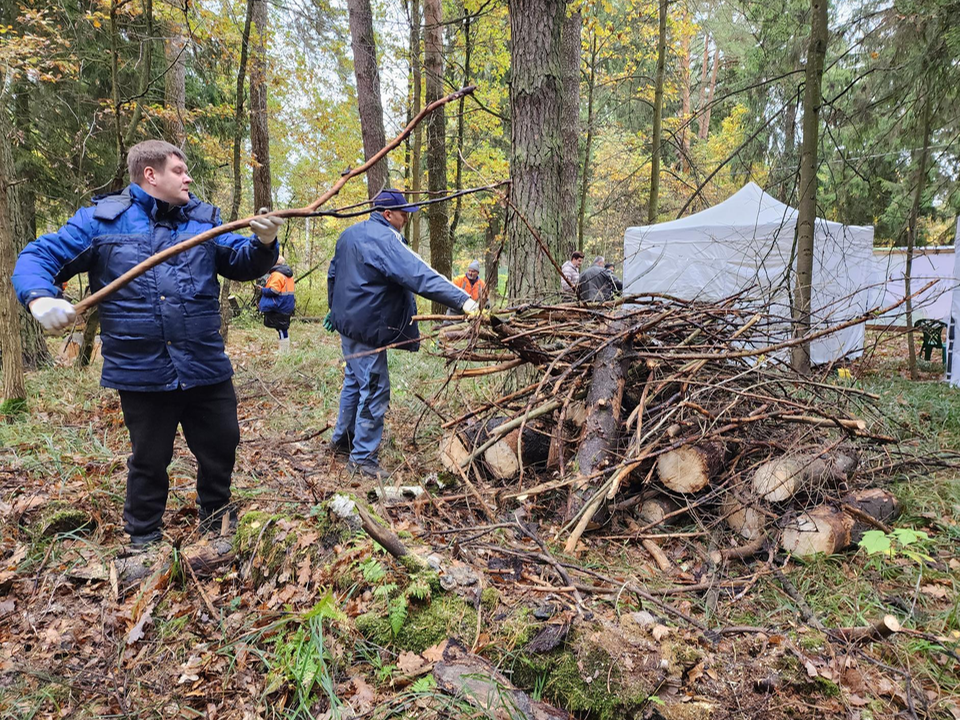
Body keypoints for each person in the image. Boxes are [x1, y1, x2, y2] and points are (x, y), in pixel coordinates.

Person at [12, 140, 284, 546]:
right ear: (150, 175)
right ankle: (143, 540)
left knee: (221, 445)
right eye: (179, 169)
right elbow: (38, 256)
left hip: (205, 365)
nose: (188, 177)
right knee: (150, 460)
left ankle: (216, 525)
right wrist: (39, 296)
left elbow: (242, 262)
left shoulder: (206, 221)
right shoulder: (101, 223)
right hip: (142, 372)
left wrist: (263, 245)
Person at [325, 189, 477, 479]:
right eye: (403, 213)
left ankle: (342, 441)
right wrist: (463, 301)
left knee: (355, 382)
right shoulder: (385, 240)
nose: (406, 218)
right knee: (374, 387)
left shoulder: (349, 234)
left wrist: (334, 309)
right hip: (367, 327)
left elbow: (334, 274)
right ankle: (362, 458)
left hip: (350, 324)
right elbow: (420, 274)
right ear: (387, 214)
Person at [259, 255, 296, 353]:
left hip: (279, 305)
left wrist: (263, 290)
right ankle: (284, 351)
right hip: (286, 305)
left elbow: (274, 291)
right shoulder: (287, 275)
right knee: (282, 329)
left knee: (281, 329)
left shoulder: (277, 275)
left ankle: (284, 352)